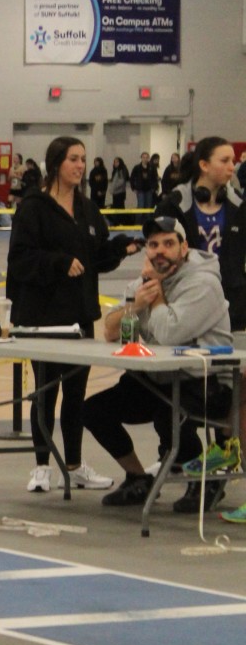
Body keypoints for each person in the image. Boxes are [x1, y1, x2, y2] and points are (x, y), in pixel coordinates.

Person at [6, 135, 139, 495]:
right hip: (41, 317)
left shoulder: (87, 209)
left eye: (83, 159)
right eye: (73, 159)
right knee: (45, 393)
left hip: (79, 315)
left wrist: (121, 249)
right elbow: (20, 259)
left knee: (75, 394)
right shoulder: (33, 207)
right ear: (56, 164)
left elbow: (95, 258)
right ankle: (41, 467)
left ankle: (75, 466)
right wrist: (58, 263)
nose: (80, 166)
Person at [84, 215, 234, 511]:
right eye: (153, 245)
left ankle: (206, 481)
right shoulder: (142, 284)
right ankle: (138, 478)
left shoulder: (203, 283)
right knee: (94, 410)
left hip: (206, 382)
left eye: (168, 244)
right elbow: (111, 330)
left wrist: (155, 294)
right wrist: (136, 304)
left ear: (184, 248)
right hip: (159, 378)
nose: (160, 251)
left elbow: (168, 336)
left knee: (170, 417)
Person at [155, 137, 246, 504]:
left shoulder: (238, 205)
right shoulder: (175, 204)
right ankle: (184, 462)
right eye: (225, 160)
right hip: (187, 308)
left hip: (232, 312)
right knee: (177, 390)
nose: (232, 166)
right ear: (204, 165)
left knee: (232, 392)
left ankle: (221, 463)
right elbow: (159, 249)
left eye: (234, 160)